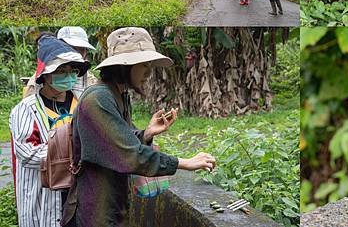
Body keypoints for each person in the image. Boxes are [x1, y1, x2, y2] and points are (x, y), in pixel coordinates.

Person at [62, 27, 216, 227]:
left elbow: (118, 139)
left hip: (113, 206)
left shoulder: (119, 94)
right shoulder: (97, 99)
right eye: (144, 65)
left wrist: (147, 133)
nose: (149, 72)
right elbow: (129, 155)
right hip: (94, 212)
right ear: (124, 66)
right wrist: (183, 162)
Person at [10, 34, 90, 227]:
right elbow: (28, 153)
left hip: (78, 195)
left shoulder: (83, 102)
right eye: (62, 70)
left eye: (72, 70)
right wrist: (73, 151)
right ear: (45, 74)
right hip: (43, 197)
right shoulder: (27, 109)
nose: (69, 75)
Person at [23, 27, 97, 99]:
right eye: (72, 48)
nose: (77, 53)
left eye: (81, 49)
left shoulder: (89, 79)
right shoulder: (40, 79)